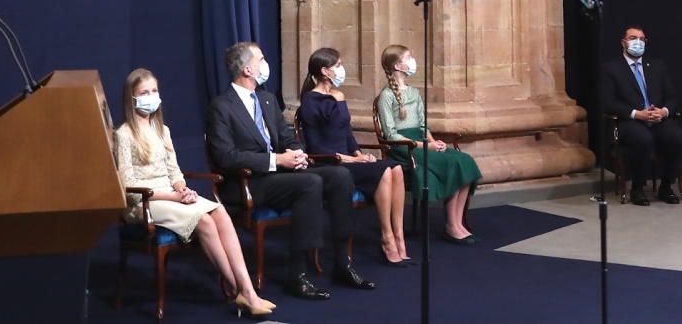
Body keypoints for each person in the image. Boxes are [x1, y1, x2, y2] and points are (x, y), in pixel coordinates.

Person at [206, 41, 375, 300]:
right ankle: (297, 275)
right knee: (309, 185)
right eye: (260, 59)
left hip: (280, 174)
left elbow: (286, 137)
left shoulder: (267, 98)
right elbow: (226, 157)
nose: (265, 64)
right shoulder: (222, 106)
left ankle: (343, 262)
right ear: (247, 69)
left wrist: (297, 154)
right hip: (250, 182)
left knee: (339, 175)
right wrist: (277, 161)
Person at [114, 68, 276, 317]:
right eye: (144, 92)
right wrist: (173, 197)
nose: (151, 96)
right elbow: (127, 186)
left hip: (171, 194)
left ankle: (248, 290)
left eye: (154, 91)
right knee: (203, 221)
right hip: (145, 203)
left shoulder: (162, 130)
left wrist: (183, 189)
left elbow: (174, 171)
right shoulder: (123, 134)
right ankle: (237, 289)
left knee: (219, 212)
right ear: (132, 98)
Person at [298, 47, 410, 266]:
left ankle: (399, 236)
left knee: (395, 168)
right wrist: (354, 160)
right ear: (324, 71)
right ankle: (386, 237)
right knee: (384, 171)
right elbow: (319, 146)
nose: (342, 70)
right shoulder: (310, 100)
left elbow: (346, 133)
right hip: (332, 164)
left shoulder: (338, 96)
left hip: (351, 159)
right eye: (338, 66)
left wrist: (360, 153)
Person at [377, 44, 482, 244]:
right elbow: (390, 134)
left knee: (464, 160)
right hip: (404, 146)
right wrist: (423, 146)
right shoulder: (386, 96)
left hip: (423, 141)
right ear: (398, 66)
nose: (413, 62)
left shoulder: (414, 92)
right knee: (452, 164)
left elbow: (423, 125)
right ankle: (451, 226)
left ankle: (457, 222)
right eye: (409, 58)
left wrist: (434, 142)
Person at [600, 26, 682, 206]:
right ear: (623, 42)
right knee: (643, 138)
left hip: (657, 118)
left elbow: (672, 97)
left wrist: (663, 111)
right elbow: (608, 102)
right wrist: (637, 114)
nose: (637, 42)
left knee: (676, 137)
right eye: (633, 38)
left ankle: (666, 186)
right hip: (629, 121)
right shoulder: (611, 68)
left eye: (641, 39)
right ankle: (637, 188)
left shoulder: (657, 66)